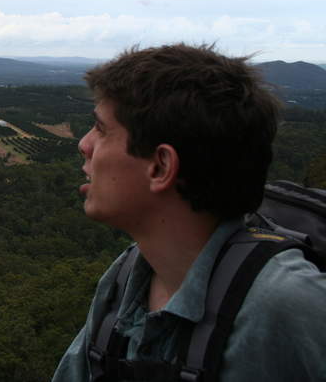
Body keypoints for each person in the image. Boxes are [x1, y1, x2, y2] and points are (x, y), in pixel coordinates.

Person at [51, 43, 326, 381]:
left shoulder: (289, 305)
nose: (84, 144)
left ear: (160, 167)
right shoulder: (127, 277)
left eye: (101, 129)